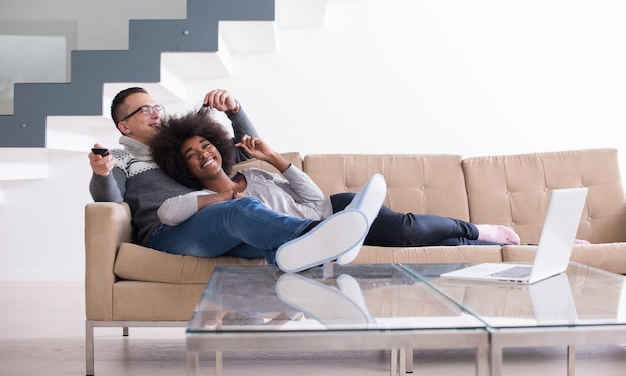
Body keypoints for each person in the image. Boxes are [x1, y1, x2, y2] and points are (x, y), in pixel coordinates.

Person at [87, 86, 386, 273]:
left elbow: (245, 149)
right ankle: (325, 233)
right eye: (145, 110)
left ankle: (268, 313)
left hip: (208, 224)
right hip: (168, 233)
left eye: (157, 107)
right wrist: (101, 174)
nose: (156, 113)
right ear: (124, 126)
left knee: (271, 246)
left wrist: (234, 111)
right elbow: (110, 202)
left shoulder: (180, 149)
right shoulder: (121, 158)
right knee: (239, 208)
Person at [151, 110, 523, 249]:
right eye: (191, 155)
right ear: (185, 168)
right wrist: (223, 200)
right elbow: (169, 213)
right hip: (326, 235)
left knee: (407, 231)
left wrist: (275, 159)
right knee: (427, 248)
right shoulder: (203, 203)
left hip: (337, 210)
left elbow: (314, 201)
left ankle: (477, 230)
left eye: (205, 145)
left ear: (218, 145)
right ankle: (493, 247)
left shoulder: (254, 176)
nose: (203, 154)